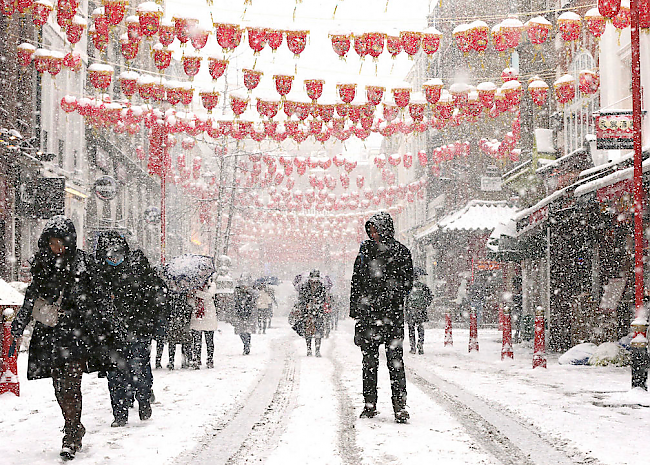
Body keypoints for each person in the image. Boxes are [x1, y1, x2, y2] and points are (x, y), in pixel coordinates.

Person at [10, 216, 109, 460]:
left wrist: (102, 330)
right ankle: (73, 423)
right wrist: (18, 326)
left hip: (76, 333)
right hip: (49, 333)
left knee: (71, 384)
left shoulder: (83, 264)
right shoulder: (42, 264)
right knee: (58, 385)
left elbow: (97, 298)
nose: (58, 248)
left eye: (61, 242)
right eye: (53, 243)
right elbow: (31, 298)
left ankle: (71, 434)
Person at [93, 231, 167, 428]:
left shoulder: (138, 271)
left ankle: (143, 400)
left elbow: (155, 298)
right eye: (109, 256)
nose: (113, 259)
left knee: (139, 369)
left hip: (138, 330)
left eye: (117, 254)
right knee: (115, 375)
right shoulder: (99, 275)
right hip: (112, 334)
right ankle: (120, 413)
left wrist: (151, 323)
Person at [350, 211, 413, 424]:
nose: (373, 233)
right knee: (369, 363)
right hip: (369, 317)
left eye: (376, 229)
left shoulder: (401, 252)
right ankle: (370, 404)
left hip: (392, 316)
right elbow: (356, 282)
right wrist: (357, 310)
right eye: (370, 229)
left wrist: (388, 296)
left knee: (395, 362)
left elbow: (407, 283)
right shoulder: (364, 252)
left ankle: (400, 406)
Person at [188, 274, 218, 369]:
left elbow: (209, 296)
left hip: (208, 316)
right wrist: (192, 299)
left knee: (209, 340)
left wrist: (196, 293)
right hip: (197, 316)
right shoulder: (195, 286)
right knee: (196, 340)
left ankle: (210, 359)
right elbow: (190, 301)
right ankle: (197, 359)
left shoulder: (211, 285)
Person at [298, 270, 327, 356]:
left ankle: (317, 350)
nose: (314, 281)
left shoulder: (322, 287)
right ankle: (309, 349)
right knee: (308, 331)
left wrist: (317, 302)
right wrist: (307, 302)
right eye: (313, 279)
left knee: (318, 331)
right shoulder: (305, 287)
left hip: (318, 312)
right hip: (307, 312)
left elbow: (323, 298)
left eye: (316, 279)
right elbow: (301, 298)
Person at [405, 270, 433, 355]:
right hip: (421, 310)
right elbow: (430, 296)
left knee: (411, 329)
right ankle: (420, 345)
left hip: (411, 310)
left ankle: (412, 347)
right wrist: (425, 305)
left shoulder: (409, 286)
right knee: (420, 328)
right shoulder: (423, 286)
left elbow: (406, 299)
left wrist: (407, 309)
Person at [233, 273, 257, 355]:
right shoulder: (237, 291)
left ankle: (246, 345)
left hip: (249, 313)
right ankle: (246, 343)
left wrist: (248, 292)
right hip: (239, 312)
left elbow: (254, 298)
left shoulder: (251, 291)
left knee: (247, 330)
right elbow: (235, 301)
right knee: (240, 331)